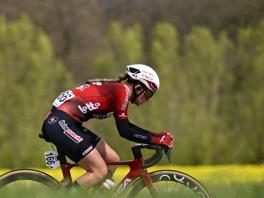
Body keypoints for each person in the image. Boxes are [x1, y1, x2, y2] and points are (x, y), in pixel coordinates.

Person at [41, 64, 174, 189]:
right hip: (59, 123)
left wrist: (156, 136)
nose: (147, 100)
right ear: (139, 87)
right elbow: (125, 131)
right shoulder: (121, 91)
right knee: (100, 171)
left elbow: (127, 126)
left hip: (67, 122)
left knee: (112, 160)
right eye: (148, 94)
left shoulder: (119, 90)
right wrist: (155, 139)